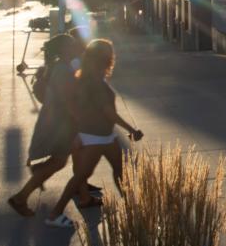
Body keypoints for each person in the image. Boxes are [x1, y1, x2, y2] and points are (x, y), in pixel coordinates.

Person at [45, 39, 143, 228]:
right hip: (96, 136)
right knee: (82, 175)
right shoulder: (96, 83)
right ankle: (55, 213)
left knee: (119, 169)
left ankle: (132, 207)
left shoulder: (86, 77)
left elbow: (75, 106)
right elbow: (110, 113)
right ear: (106, 59)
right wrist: (131, 129)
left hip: (102, 135)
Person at [8, 29, 96, 217]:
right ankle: (20, 197)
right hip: (60, 125)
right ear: (64, 49)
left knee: (76, 157)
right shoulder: (62, 70)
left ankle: (85, 197)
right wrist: (82, 121)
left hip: (60, 123)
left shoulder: (60, 66)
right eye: (71, 45)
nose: (75, 47)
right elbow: (68, 101)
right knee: (58, 162)